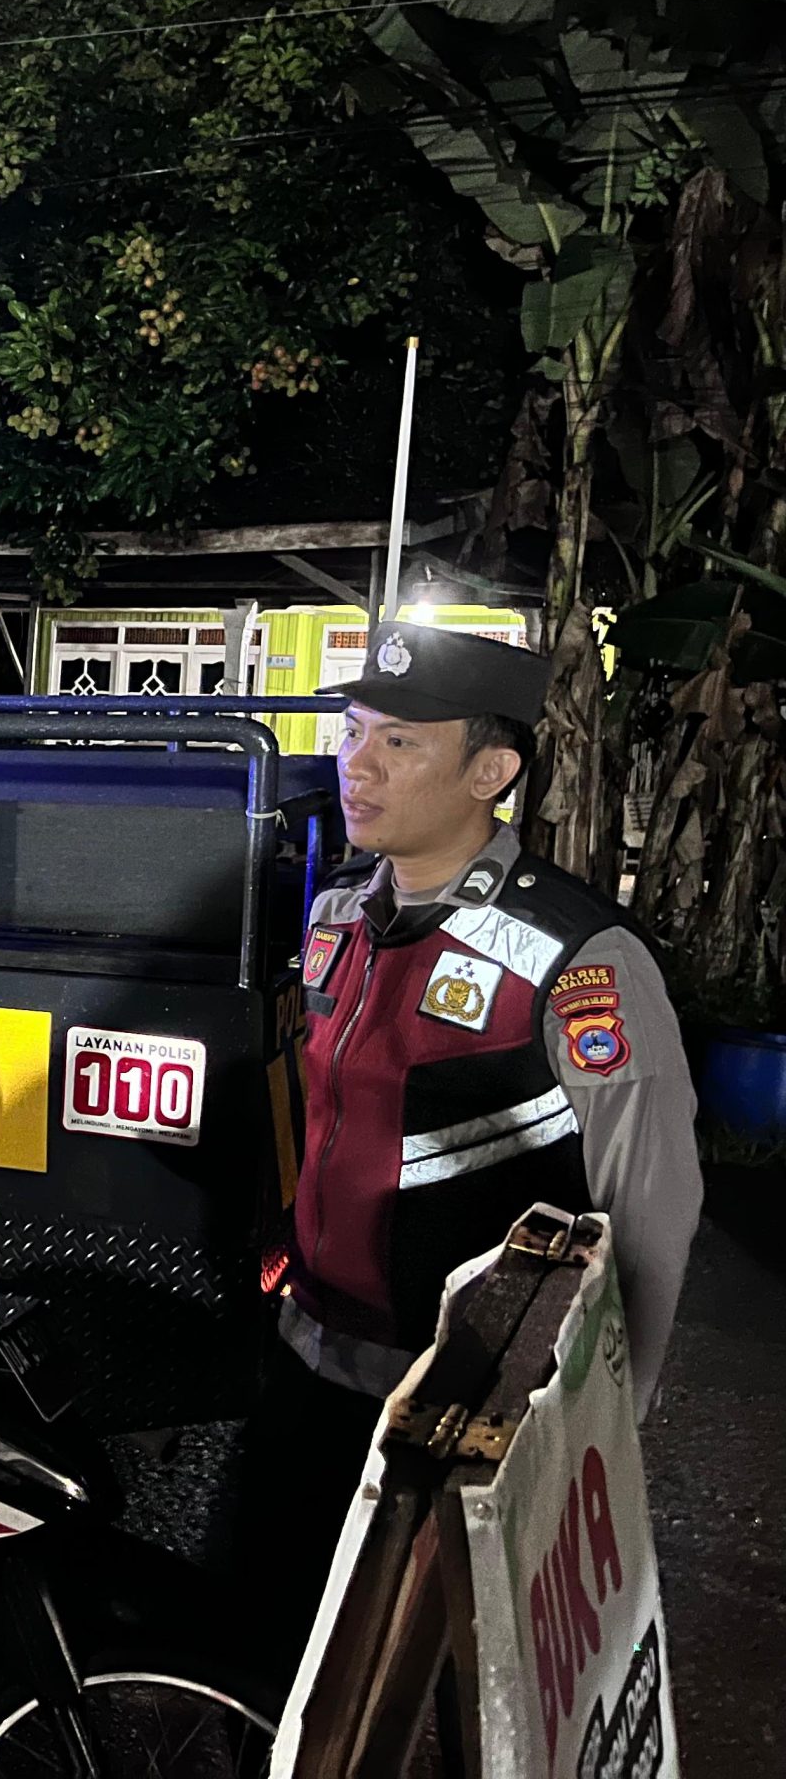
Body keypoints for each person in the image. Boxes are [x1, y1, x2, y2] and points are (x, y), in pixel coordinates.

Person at [239, 620, 703, 1634]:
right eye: (353, 732)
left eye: (399, 742)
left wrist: (602, 1421)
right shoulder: (335, 916)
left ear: (491, 772)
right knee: (257, 1642)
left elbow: (650, 1198)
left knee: (419, 1677)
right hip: (307, 1359)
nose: (356, 765)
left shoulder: (579, 956)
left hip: (461, 1407)